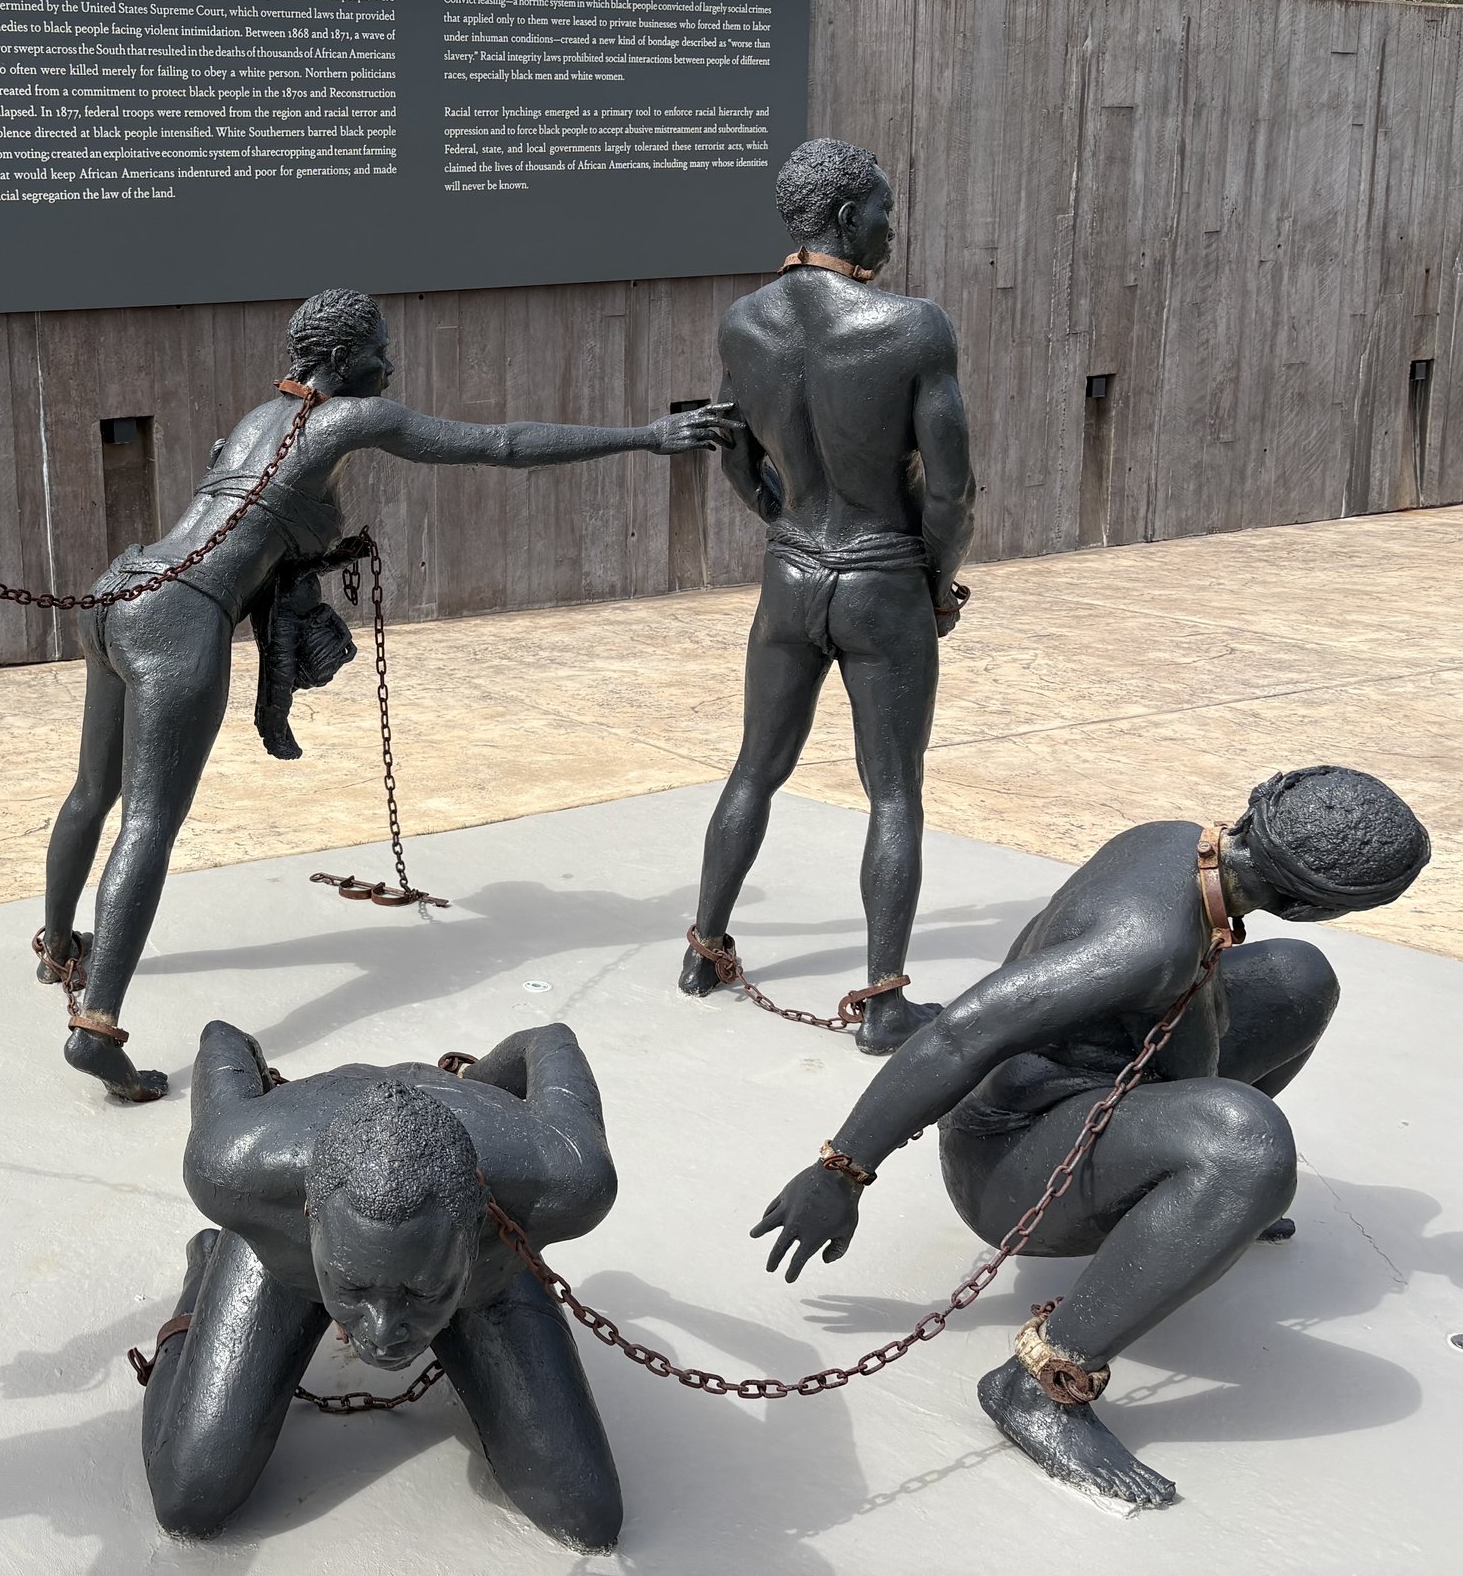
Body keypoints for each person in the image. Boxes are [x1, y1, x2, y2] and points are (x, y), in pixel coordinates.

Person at [39, 286, 738, 1101]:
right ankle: (98, 1028)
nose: (390, 363)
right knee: (150, 825)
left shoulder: (256, 420)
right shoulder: (347, 418)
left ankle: (59, 947)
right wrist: (646, 437)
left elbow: (255, 536)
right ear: (339, 359)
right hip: (180, 620)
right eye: (378, 348)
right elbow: (502, 443)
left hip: (121, 586)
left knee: (94, 790)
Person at [751, 766, 1429, 1509]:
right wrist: (840, 1169)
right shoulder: (1145, 940)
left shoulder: (1184, 844)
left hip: (1112, 1092)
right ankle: (1041, 1384)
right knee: (1248, 1144)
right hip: (1012, 1162)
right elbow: (961, 1034)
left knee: (1300, 980)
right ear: (1308, 903)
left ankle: (1199, 1203)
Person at [682, 137, 978, 1053]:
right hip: (883, 574)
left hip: (790, 568)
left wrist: (780, 518)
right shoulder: (912, 326)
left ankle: (702, 948)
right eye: (885, 210)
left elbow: (734, 451)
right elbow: (954, 491)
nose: (893, 227)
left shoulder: (743, 323)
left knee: (753, 769)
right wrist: (933, 588)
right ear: (849, 216)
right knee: (893, 792)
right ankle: (883, 1002)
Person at [136, 1020, 621, 1550]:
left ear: (475, 1226)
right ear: (307, 1215)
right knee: (189, 1494)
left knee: (585, 1509)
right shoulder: (235, 1162)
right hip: (292, 1259)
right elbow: (221, 1037)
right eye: (353, 1292)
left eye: (419, 1295)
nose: (384, 1334)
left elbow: (548, 1039)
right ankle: (206, 1264)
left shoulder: (568, 1177)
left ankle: (395, 1282)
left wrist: (479, 1086)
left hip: (482, 1267)